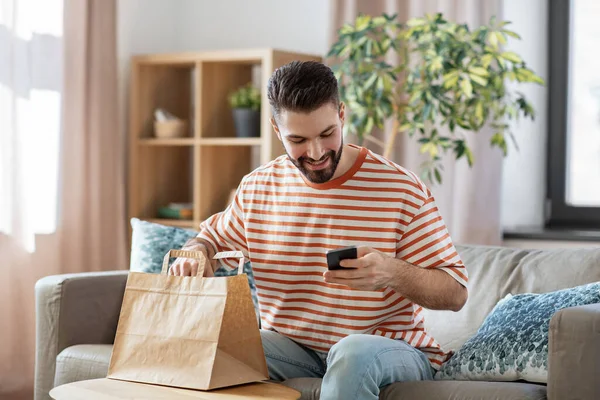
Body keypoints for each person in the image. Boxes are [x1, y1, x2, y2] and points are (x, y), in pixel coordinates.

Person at [170, 60, 468, 399]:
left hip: (388, 350)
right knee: (215, 347)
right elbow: (208, 239)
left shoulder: (401, 188)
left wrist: (389, 272)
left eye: (327, 134)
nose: (315, 153)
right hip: (294, 349)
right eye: (298, 139)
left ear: (342, 114)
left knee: (351, 354)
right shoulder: (258, 188)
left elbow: (456, 293)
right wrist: (197, 252)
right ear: (276, 129)